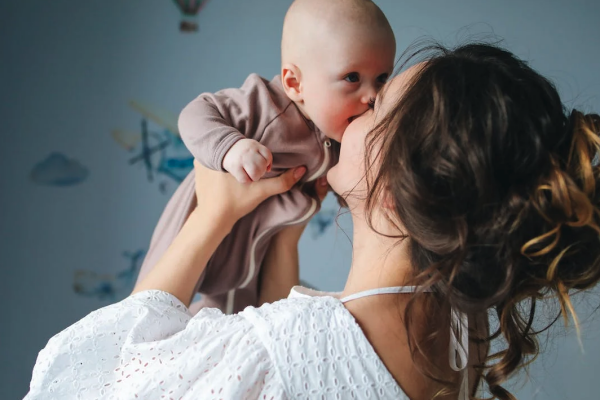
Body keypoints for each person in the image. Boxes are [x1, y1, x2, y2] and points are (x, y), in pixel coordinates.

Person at [26, 42, 600, 400]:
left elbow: (97, 376)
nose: (357, 107)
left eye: (378, 106)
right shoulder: (458, 333)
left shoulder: (280, 352)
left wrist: (211, 218)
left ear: (397, 189)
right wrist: (286, 235)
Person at [135, 0, 396, 314]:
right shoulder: (265, 105)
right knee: (153, 309)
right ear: (294, 83)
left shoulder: (338, 133)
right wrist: (231, 147)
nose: (372, 97)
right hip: (201, 220)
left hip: (256, 248)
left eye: (382, 78)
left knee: (237, 319)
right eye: (352, 78)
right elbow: (195, 113)